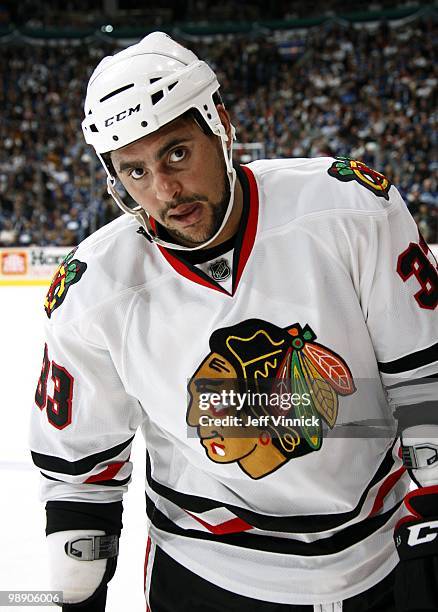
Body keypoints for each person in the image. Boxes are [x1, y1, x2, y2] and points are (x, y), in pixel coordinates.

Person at [30, 32, 438, 611]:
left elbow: (424, 379)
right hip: (207, 572)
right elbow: (80, 471)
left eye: (176, 152)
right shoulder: (93, 288)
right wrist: (77, 583)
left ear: (220, 124)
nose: (165, 191)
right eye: (136, 172)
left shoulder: (349, 211)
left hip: (376, 559)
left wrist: (433, 513)